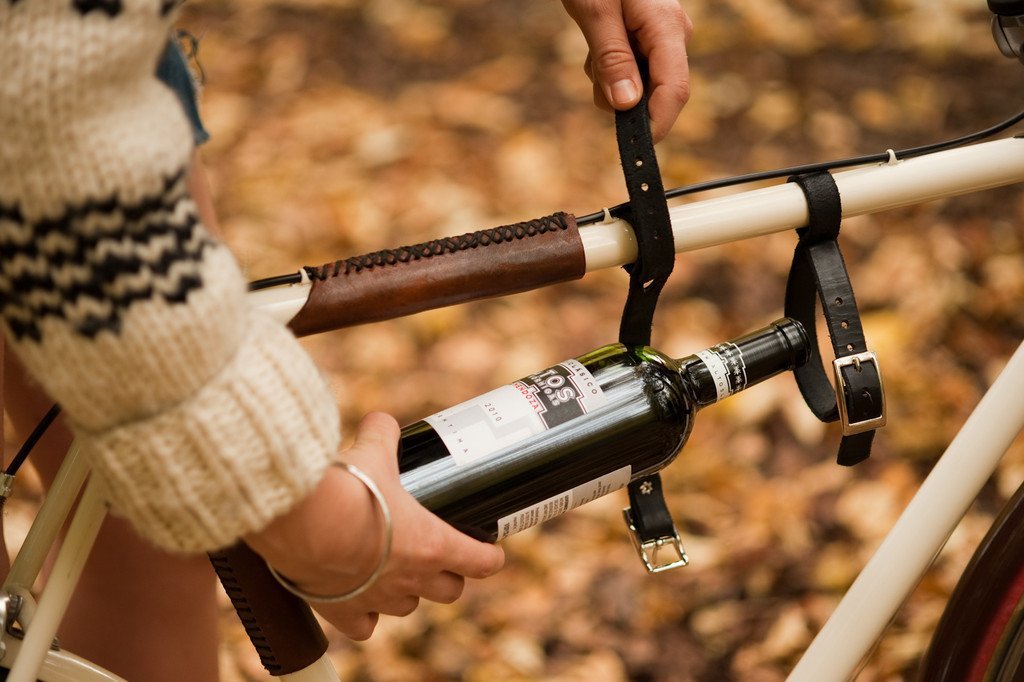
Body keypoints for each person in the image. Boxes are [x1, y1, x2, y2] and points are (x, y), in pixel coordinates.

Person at [0, 0, 692, 679]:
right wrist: (311, 519)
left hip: (100, 83)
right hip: (70, 116)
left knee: (135, 535)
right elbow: (52, 138)